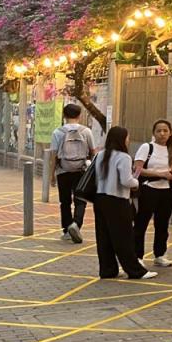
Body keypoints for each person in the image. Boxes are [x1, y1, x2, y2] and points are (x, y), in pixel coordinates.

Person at [93, 126, 156, 280]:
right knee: (124, 237)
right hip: (117, 200)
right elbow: (126, 181)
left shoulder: (101, 155)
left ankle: (108, 270)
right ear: (122, 139)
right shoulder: (124, 157)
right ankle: (135, 271)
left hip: (100, 199)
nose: (128, 140)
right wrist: (136, 182)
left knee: (104, 236)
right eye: (127, 137)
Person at [48, 102, 97, 243]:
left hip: (63, 170)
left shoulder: (58, 132)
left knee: (65, 201)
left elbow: (54, 155)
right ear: (79, 116)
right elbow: (93, 152)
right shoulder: (86, 131)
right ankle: (76, 224)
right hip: (81, 170)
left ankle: (67, 230)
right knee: (80, 199)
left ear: (64, 115)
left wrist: (52, 175)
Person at [133, 119, 172, 268]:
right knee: (142, 222)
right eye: (159, 131)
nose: (162, 134)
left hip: (166, 191)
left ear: (170, 133)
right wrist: (160, 174)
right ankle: (137, 255)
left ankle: (160, 254)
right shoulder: (147, 147)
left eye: (165, 131)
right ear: (154, 133)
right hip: (148, 189)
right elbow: (138, 170)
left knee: (162, 224)